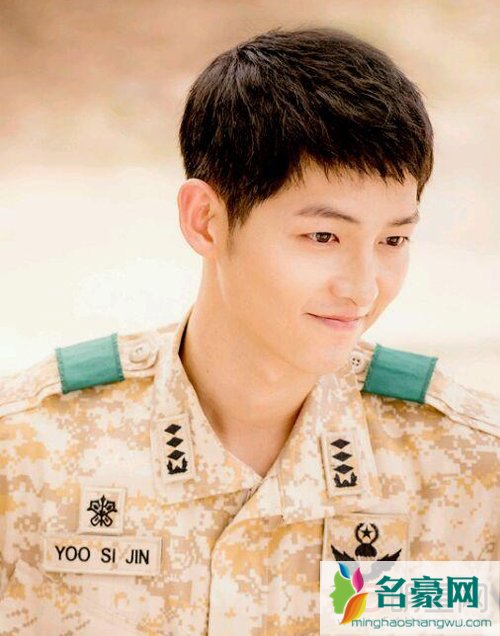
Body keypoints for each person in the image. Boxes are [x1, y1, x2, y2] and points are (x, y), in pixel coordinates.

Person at [0, 27, 498, 636]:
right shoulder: (26, 455)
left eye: (393, 240)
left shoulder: (470, 470)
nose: (364, 288)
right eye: (323, 236)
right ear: (206, 221)